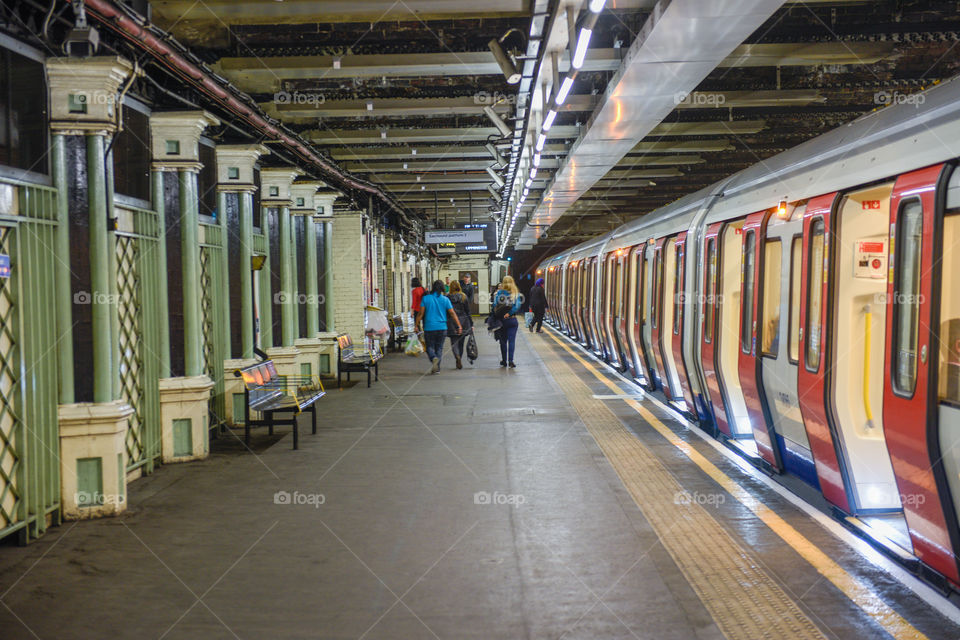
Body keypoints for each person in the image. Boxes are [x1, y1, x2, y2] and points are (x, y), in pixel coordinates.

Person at [416, 280, 462, 373]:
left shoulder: (426, 299)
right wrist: (459, 325)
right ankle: (437, 368)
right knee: (439, 347)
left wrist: (416, 325)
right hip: (442, 327)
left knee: (429, 346)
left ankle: (433, 358)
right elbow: (452, 313)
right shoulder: (445, 299)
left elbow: (421, 313)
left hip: (429, 327)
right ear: (442, 288)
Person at [493, 275, 523, 368]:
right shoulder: (515, 293)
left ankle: (504, 361)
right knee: (512, 341)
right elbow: (517, 306)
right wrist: (509, 313)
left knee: (503, 341)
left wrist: (500, 314)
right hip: (512, 320)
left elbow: (494, 305)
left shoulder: (499, 293)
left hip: (501, 321)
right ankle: (511, 361)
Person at [446, 280, 472, 369]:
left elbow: (446, 311)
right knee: (461, 343)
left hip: (451, 322)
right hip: (463, 321)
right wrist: (471, 323)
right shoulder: (464, 297)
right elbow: (468, 311)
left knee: (454, 343)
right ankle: (459, 357)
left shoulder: (447, 298)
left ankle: (456, 356)